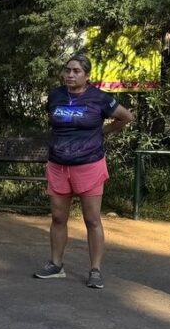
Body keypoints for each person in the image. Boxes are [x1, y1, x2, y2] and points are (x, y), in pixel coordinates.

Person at [33, 54, 134, 289]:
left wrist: (103, 133)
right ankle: (56, 264)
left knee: (92, 219)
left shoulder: (98, 98)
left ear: (87, 76)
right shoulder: (55, 96)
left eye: (76, 71)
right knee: (58, 217)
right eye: (67, 70)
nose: (70, 75)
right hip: (58, 164)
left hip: (89, 164)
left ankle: (95, 269)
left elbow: (126, 117)